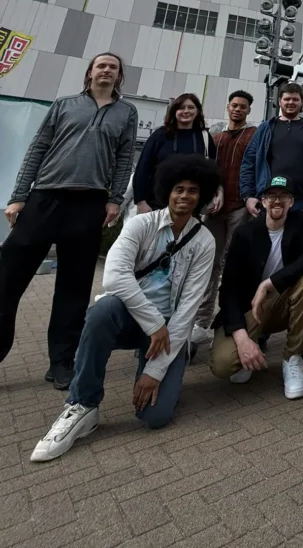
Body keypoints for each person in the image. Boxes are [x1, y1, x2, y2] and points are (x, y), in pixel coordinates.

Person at [29, 155, 218, 461]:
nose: (185, 195)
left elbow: (188, 309)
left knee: (154, 417)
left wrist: (155, 371)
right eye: (178, 189)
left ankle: (153, 366)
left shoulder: (204, 241)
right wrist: (153, 323)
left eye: (193, 190)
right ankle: (82, 405)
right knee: (101, 313)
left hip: (168, 333)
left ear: (202, 196)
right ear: (167, 191)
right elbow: (114, 276)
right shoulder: (142, 224)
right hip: (133, 320)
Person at [2, 53, 138, 390]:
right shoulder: (64, 105)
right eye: (101, 65)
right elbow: (37, 148)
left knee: (74, 290)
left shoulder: (126, 112)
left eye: (113, 67)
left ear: (119, 76)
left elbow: (124, 159)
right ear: (90, 72)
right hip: (44, 198)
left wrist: (114, 199)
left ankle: (61, 362)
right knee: (6, 280)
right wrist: (19, 196)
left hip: (88, 204)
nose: (106, 70)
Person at [209, 176, 303, 398]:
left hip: (280, 303)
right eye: (271, 196)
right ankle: (249, 350)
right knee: (222, 364)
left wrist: (269, 284)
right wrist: (241, 339)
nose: (277, 201)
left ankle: (292, 358)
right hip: (249, 310)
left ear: (291, 202)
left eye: (283, 196)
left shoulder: (299, 222)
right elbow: (228, 289)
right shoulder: (245, 233)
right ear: (263, 201)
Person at [192, 90, 258, 342]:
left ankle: (229, 318)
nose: (238, 109)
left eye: (243, 106)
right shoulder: (214, 137)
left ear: (249, 110)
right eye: (234, 105)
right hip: (214, 209)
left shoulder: (253, 135)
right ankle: (201, 321)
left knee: (235, 265)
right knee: (209, 262)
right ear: (227, 107)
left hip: (240, 207)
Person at [240, 83, 303, 219]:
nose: (291, 102)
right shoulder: (265, 129)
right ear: (279, 101)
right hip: (268, 202)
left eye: (295, 99)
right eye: (287, 99)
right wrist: (248, 196)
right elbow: (248, 162)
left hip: (301, 203)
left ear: (301, 102)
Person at [134, 93, 216, 212]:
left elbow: (213, 169)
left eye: (191, 107)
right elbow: (143, 169)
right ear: (174, 111)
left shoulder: (203, 137)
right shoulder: (160, 135)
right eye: (181, 107)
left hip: (191, 205)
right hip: (157, 205)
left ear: (198, 111)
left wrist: (214, 195)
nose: (186, 111)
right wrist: (141, 201)